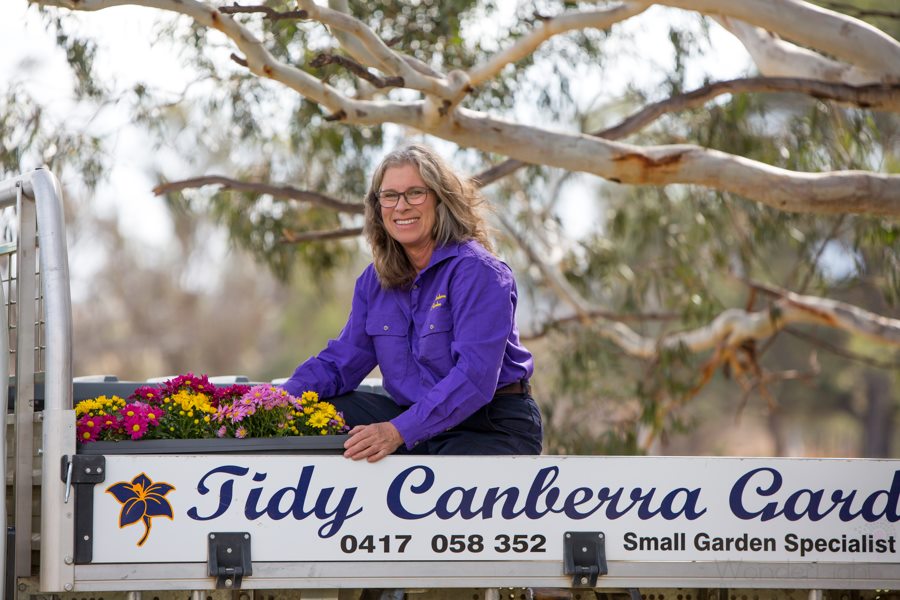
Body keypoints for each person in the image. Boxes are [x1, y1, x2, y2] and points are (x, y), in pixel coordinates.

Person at [281, 144, 542, 462]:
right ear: (378, 207)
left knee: (442, 493)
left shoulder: (478, 271)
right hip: (412, 417)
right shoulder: (374, 282)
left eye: (415, 193)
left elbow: (475, 377)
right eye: (389, 196)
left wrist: (397, 432)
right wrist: (278, 399)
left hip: (488, 424)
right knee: (312, 412)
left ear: (440, 199)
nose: (401, 206)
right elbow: (342, 362)